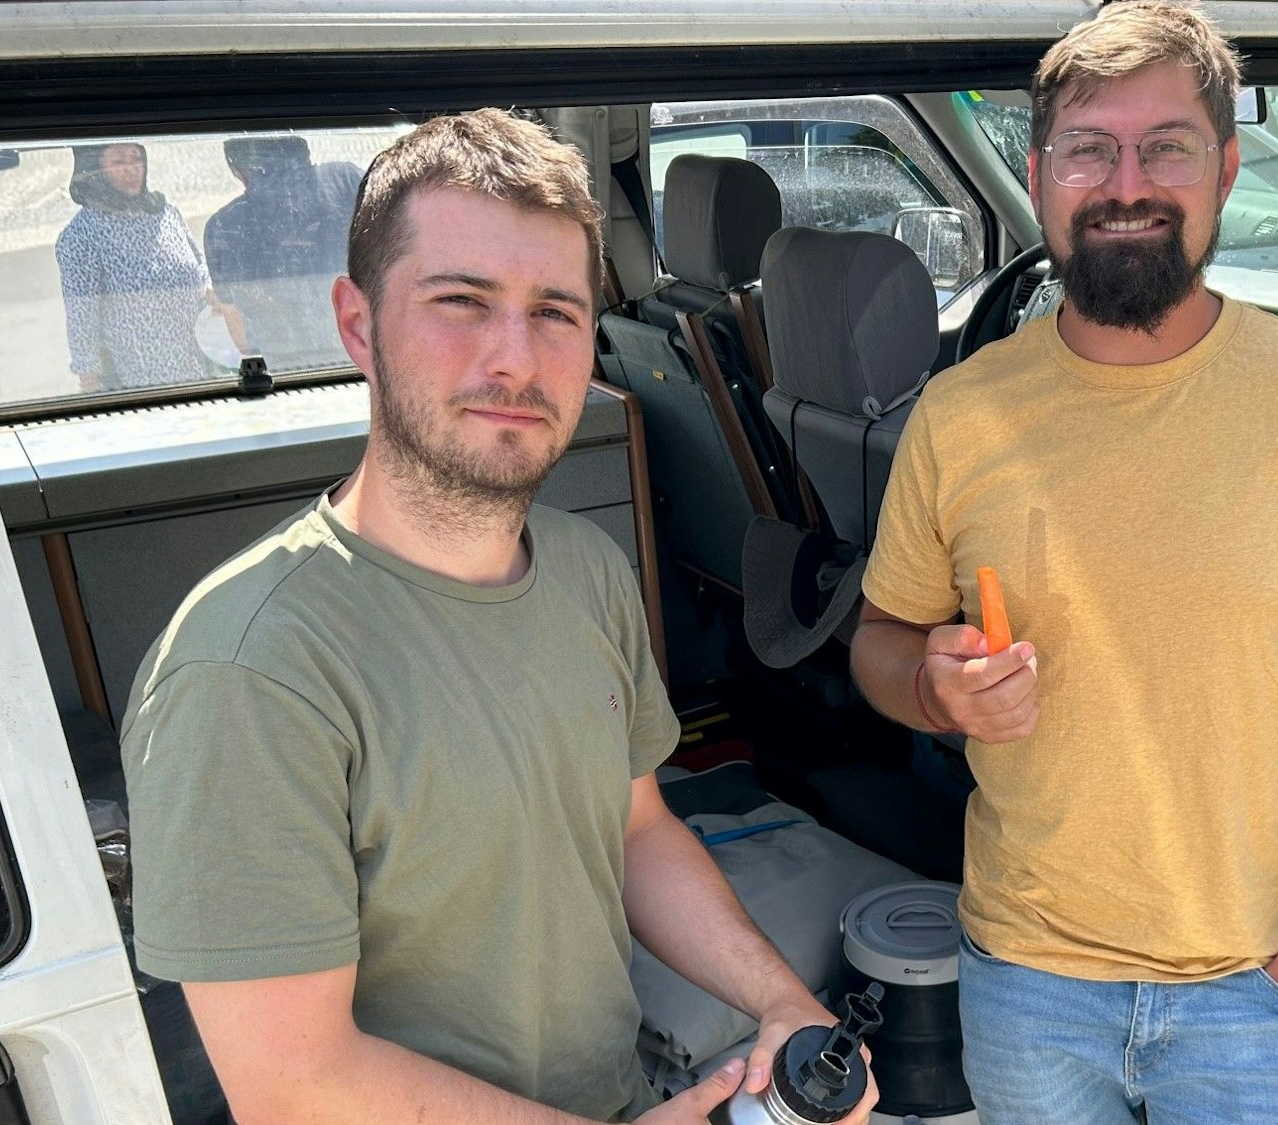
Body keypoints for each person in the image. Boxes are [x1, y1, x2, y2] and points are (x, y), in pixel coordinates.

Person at [120, 109, 874, 1125]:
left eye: (555, 312)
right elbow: (292, 1084)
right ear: (358, 325)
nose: (515, 359)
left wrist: (783, 1006)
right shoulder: (246, 669)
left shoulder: (582, 566)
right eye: (461, 302)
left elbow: (635, 829)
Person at [848, 3, 1278, 1122]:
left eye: (1165, 145)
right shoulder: (958, 414)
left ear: (1223, 170)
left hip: (1252, 993)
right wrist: (932, 686)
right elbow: (878, 645)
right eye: (1087, 148)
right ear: (1038, 175)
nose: (1126, 183)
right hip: (1027, 985)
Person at [56, 142, 219, 392]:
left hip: (199, 368)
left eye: (136, 159)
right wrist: (91, 381)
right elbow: (81, 317)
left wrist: (210, 290)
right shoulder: (81, 236)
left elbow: (198, 266)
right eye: (119, 162)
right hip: (139, 386)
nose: (131, 169)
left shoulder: (164, 213)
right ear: (94, 171)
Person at [204, 134, 363, 372]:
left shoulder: (224, 225)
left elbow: (233, 315)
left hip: (284, 371)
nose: (288, 200)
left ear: (238, 171)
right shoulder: (346, 181)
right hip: (358, 356)